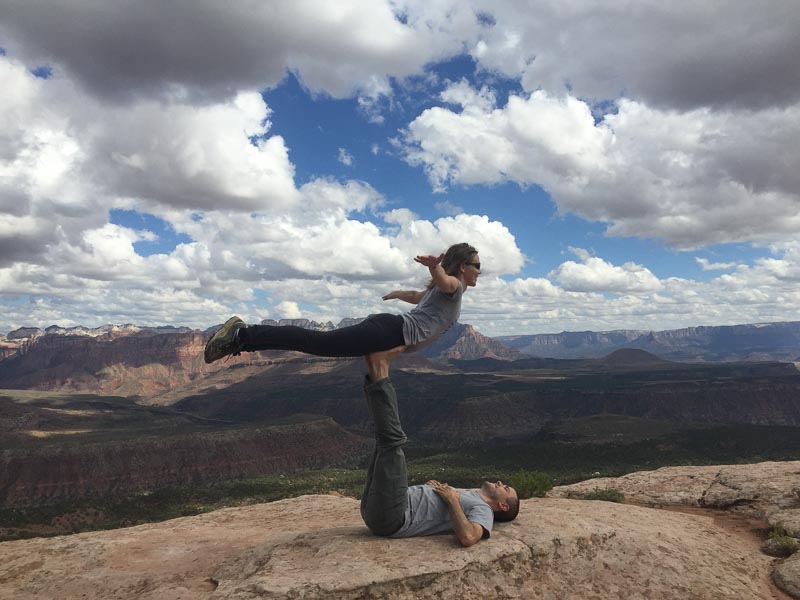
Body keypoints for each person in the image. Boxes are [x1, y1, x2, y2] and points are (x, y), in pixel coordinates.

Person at [203, 242, 481, 364]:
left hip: (387, 329)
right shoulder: (454, 287)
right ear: (462, 266)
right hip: (388, 331)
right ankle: (242, 335)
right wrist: (435, 268)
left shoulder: (444, 294)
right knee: (317, 342)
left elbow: (418, 297)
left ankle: (244, 337)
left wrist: (397, 293)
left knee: (317, 343)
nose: (480, 270)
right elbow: (445, 282)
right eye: (477, 265)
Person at [360, 347, 519, 546]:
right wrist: (432, 492)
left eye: (505, 488)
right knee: (383, 440)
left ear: (503, 505)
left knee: (392, 440)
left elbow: (469, 537)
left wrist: (451, 498)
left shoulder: (484, 510)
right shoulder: (472, 495)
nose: (500, 482)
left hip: (394, 516)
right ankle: (376, 371)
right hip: (381, 509)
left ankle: (379, 370)